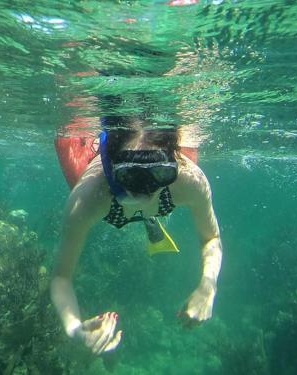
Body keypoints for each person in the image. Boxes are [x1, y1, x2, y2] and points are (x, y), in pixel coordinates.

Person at [51, 115, 223, 354]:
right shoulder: (87, 198)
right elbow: (61, 277)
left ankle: (149, 217)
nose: (146, 191)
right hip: (104, 191)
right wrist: (74, 329)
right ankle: (148, 214)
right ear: (112, 165)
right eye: (130, 176)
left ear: (172, 165)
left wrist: (208, 287)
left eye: (160, 174)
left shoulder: (189, 180)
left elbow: (211, 239)